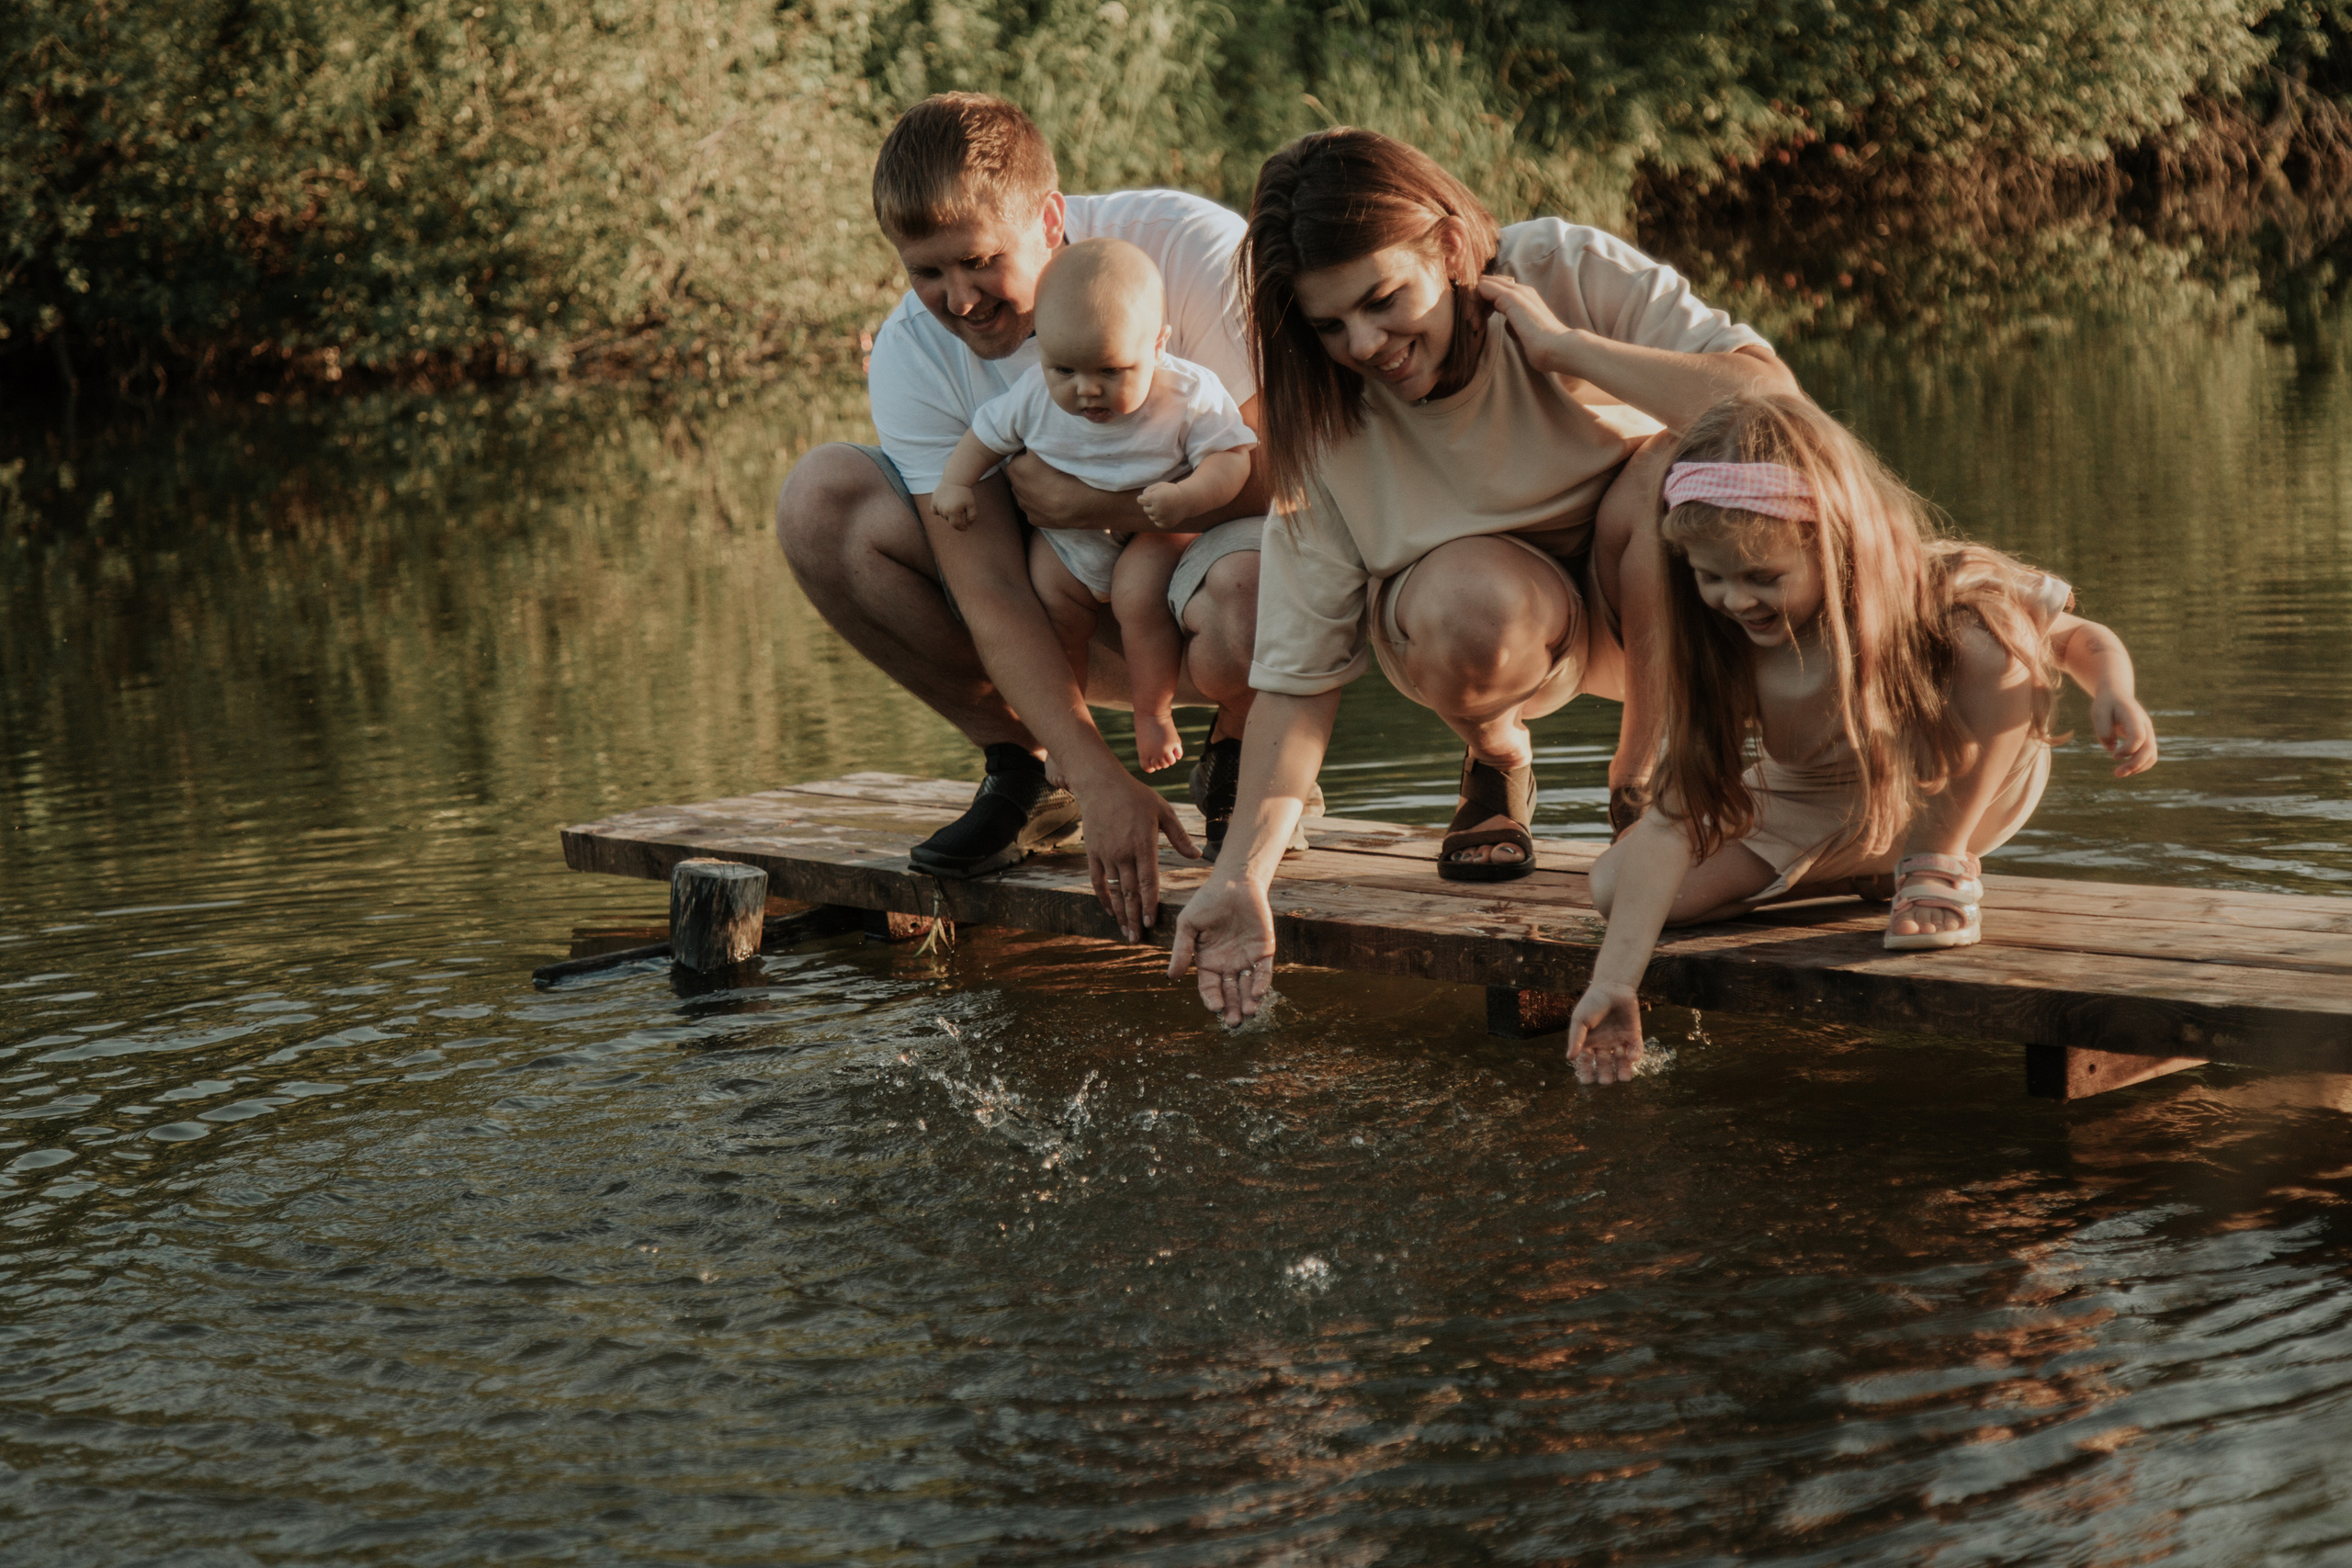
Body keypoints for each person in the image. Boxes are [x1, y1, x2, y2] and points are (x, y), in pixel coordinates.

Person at [1168, 127, 1797, 1020]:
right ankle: (1496, 754)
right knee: (1471, 603)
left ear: (1451, 246)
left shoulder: (1558, 268)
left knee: (1680, 467)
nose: (1365, 342)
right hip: (1474, 623)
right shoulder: (1325, 422)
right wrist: (1241, 878)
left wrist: (1565, 353)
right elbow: (1294, 686)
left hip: (1652, 599)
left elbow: (1776, 408)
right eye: (1330, 324)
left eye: (1383, 300)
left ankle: (1646, 786)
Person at [774, 94, 1290, 937]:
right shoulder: (914, 353)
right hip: (1067, 603)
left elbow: (1294, 481)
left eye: (979, 261)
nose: (960, 300)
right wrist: (1099, 775)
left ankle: (1246, 755)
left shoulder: (1188, 250)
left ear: (1050, 218)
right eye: (926, 272)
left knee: (1250, 587)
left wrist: (1103, 503)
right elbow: (987, 592)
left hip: (1215, 591)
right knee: (820, 502)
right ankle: (1035, 775)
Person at [1561, 392, 2159, 1084]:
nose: (1735, 599)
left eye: (1763, 576)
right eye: (1710, 577)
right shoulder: (1718, 643)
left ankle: (1934, 861)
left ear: (1836, 542)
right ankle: (1873, 864)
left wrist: (2114, 687)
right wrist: (1615, 981)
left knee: (1995, 638)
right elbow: (1671, 820)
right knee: (1618, 885)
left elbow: (2076, 638)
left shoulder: (1928, 583)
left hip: (1941, 778)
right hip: (1814, 799)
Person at [933, 238, 1258, 774]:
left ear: (1157, 347)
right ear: (1042, 353)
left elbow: (1233, 460)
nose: (1087, 390)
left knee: (1138, 598)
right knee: (1053, 607)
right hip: (1071, 536)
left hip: (1157, 525)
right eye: (1066, 371)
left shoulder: (1189, 394)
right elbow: (984, 437)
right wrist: (956, 484)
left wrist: (1187, 497)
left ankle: (1152, 714)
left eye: (1110, 372)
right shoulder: (1035, 394)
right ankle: (1069, 735)